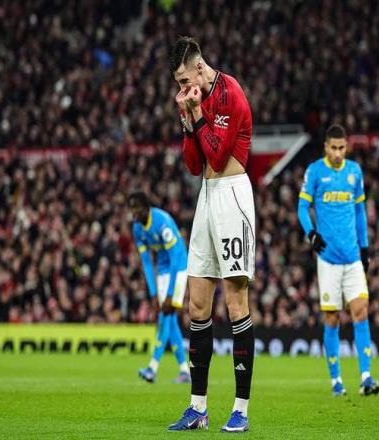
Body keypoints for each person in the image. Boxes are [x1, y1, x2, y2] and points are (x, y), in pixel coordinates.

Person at [167, 36, 255, 433]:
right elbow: (193, 164)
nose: (183, 88)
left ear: (200, 68)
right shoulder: (196, 100)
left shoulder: (230, 93)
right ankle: (197, 408)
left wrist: (198, 112)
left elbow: (219, 157)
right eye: (178, 83)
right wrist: (187, 119)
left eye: (185, 80)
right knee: (197, 304)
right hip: (206, 195)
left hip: (233, 195)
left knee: (235, 303)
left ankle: (241, 410)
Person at [297, 124, 379, 397]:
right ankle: (336, 381)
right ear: (325, 147)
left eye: (341, 148)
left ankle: (366, 377)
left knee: (361, 310)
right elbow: (302, 207)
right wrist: (311, 233)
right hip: (328, 259)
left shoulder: (354, 171)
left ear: (347, 147)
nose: (337, 153)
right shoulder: (315, 171)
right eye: (333, 148)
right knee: (332, 318)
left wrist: (365, 248)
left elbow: (360, 212)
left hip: (353, 256)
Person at [128, 191, 190, 384]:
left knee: (166, 315)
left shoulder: (162, 223)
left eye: (136, 208)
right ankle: (184, 370)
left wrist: (170, 294)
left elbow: (175, 257)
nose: (133, 213)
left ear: (146, 208)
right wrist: (154, 293)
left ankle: (152, 368)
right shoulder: (137, 229)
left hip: (179, 267)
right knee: (169, 318)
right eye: (131, 208)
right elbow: (147, 263)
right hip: (163, 270)